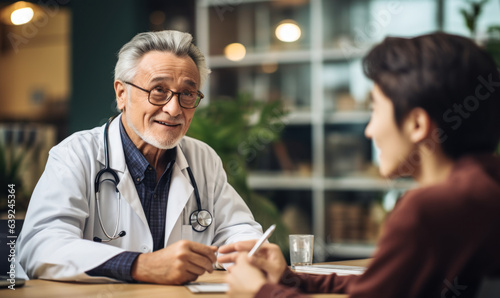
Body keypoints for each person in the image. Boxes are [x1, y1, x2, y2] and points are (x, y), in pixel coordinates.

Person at [217, 32, 500, 298]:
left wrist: (259, 292)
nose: (369, 130)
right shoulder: (484, 186)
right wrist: (289, 278)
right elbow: (381, 286)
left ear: (416, 124)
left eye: (375, 110)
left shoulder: (427, 208)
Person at [17, 30, 263, 285]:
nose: (173, 109)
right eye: (158, 90)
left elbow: (236, 229)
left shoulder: (202, 158)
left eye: (187, 94)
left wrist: (255, 252)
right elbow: (41, 245)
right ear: (122, 94)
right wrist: (140, 265)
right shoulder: (75, 155)